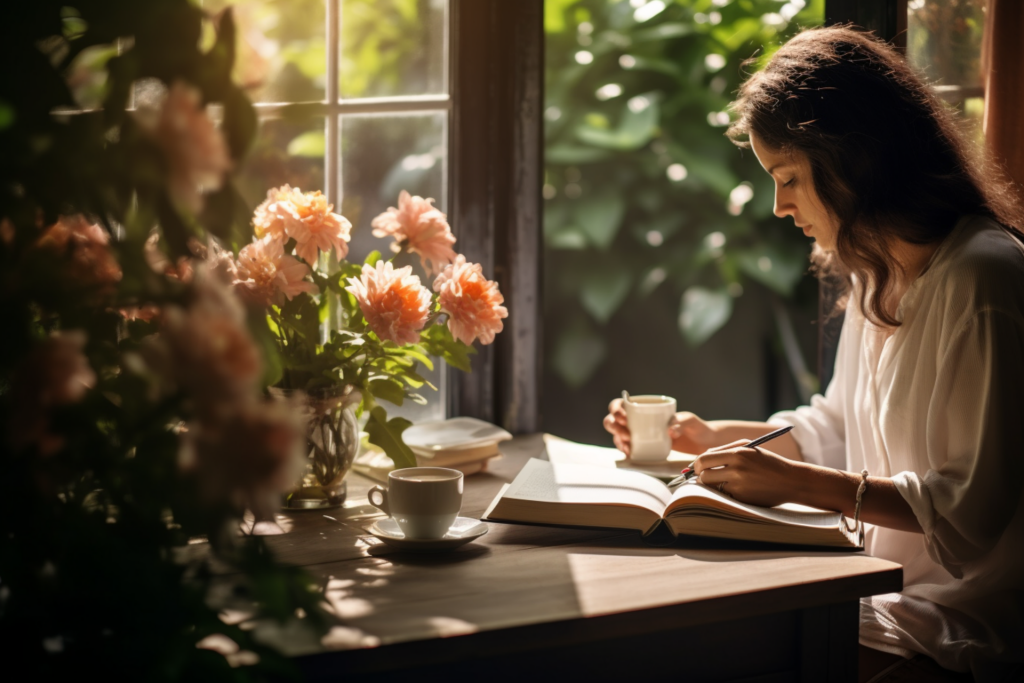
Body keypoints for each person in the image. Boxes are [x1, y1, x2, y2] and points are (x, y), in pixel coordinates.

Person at [604, 26, 1024, 683]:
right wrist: (714, 436)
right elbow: (834, 425)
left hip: (962, 623)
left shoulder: (984, 278)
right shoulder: (876, 272)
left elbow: (970, 514)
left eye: (790, 177)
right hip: (879, 593)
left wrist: (795, 483)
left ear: (855, 159)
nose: (778, 206)